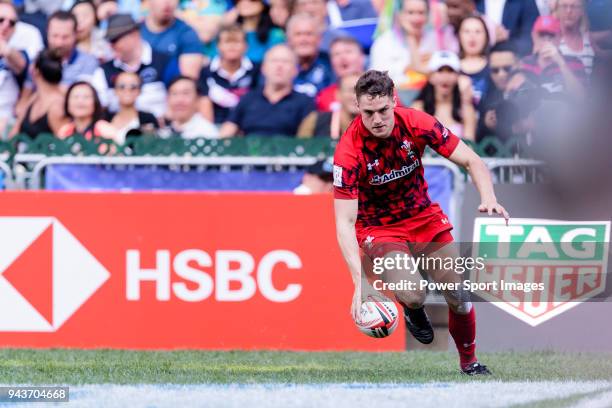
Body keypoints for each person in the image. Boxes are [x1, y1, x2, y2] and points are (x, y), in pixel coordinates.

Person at [333, 69, 508, 375]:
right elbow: (344, 222)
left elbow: (472, 161)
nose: (377, 119)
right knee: (414, 293)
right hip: (379, 228)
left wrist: (489, 197)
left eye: (383, 110)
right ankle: (413, 308)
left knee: (459, 293)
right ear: (357, 108)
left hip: (424, 218)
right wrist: (357, 282)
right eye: (369, 112)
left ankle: (470, 362)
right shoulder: (348, 152)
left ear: (394, 101)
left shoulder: (417, 122)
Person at [92, 13, 180, 118]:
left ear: (134, 35)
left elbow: (179, 97)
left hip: (159, 129)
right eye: (110, 41)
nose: (111, 45)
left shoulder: (164, 62)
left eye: (115, 40)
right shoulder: (103, 71)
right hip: (116, 130)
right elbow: (97, 109)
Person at [219, 44, 315, 137]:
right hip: (250, 152)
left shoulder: (305, 102)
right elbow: (227, 131)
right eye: (274, 61)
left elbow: (306, 141)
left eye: (285, 61)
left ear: (295, 70)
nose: (279, 66)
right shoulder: (248, 99)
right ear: (263, 68)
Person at [369, 0, 457, 87]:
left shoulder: (435, 39)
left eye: (421, 13)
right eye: (410, 13)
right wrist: (406, 68)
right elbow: (376, 78)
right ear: (400, 15)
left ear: (427, 16)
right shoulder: (384, 42)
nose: (416, 19)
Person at [197, 24, 260, 124]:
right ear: (218, 46)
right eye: (227, 42)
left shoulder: (257, 70)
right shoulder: (205, 71)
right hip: (215, 125)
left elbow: (258, 102)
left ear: (246, 46)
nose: (232, 46)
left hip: (248, 124)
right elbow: (204, 102)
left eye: (237, 42)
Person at [412, 51, 477, 140]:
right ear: (430, 77)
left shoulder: (466, 109)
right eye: (440, 70)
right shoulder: (418, 108)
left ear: (457, 76)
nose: (445, 77)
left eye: (450, 71)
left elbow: (470, 145)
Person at [519, 15, 586, 96]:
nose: (546, 40)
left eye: (551, 35)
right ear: (534, 36)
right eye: (541, 35)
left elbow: (582, 98)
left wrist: (561, 63)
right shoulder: (523, 64)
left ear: (559, 37)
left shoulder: (574, 62)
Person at [10, 49, 67, 139]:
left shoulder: (58, 105)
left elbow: (64, 143)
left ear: (34, 71)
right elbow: (13, 135)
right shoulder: (34, 98)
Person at [140, 0, 204, 79]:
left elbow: (189, 81)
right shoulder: (136, 32)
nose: (167, 3)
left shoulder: (187, 33)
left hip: (171, 88)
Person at [477, 41, 520, 141]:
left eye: (507, 68)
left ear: (519, 64)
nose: (501, 74)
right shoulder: (486, 101)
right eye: (495, 70)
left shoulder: (533, 89)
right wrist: (486, 125)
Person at [286, 13, 335, 98]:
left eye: (309, 34)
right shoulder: (280, 65)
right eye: (298, 34)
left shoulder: (331, 64)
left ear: (319, 39)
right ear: (289, 40)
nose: (303, 40)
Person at [298, 73, 360, 138]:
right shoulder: (315, 121)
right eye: (351, 90)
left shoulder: (370, 126)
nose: (356, 96)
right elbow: (301, 146)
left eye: (362, 91)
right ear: (338, 94)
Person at [105, 71, 159, 143]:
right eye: (122, 86)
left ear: (139, 91)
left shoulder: (148, 118)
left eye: (133, 87)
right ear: (115, 90)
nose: (127, 90)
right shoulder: (105, 119)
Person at [0, 0, 28, 132]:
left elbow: (20, 64)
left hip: (5, 125)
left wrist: (5, 49)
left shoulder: (18, 54)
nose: (6, 25)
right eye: (1, 20)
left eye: (12, 23)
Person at [316, 36, 365, 112]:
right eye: (336, 54)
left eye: (348, 52)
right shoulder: (324, 97)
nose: (342, 57)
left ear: (362, 57)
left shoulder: (382, 89)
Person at [475, 0, 540, 56]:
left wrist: (507, 40)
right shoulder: (472, 2)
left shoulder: (525, 2)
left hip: (513, 62)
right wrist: (491, 36)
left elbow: (530, 39)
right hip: (476, 60)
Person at [232, 0, 285, 64]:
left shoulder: (276, 34)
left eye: (252, 0)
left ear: (263, 4)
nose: (245, 2)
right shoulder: (228, 34)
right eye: (239, 0)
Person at [555, 0, 594, 75]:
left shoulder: (589, 40)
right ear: (557, 10)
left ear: (582, 10)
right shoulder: (550, 38)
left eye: (574, 6)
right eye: (564, 6)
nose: (569, 11)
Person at [458, 15, 491, 105]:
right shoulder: (450, 67)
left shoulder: (495, 68)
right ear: (459, 36)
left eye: (478, 32)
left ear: (486, 36)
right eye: (467, 31)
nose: (472, 36)